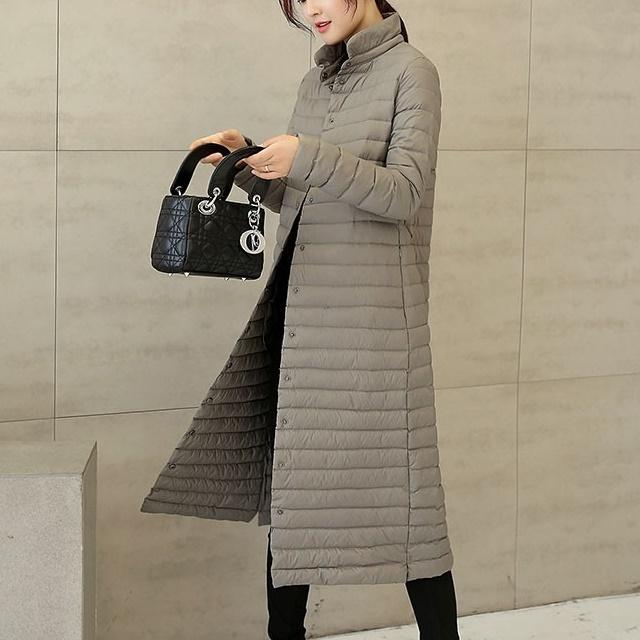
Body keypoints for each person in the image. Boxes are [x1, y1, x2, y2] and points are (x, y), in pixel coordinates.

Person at [184, 1, 460, 639]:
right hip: (303, 317)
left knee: (410, 508)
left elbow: (405, 192)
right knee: (296, 499)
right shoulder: (316, 81)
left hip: (375, 329)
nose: (310, 7)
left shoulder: (413, 71)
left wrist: (305, 155)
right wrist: (248, 163)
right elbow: (304, 198)